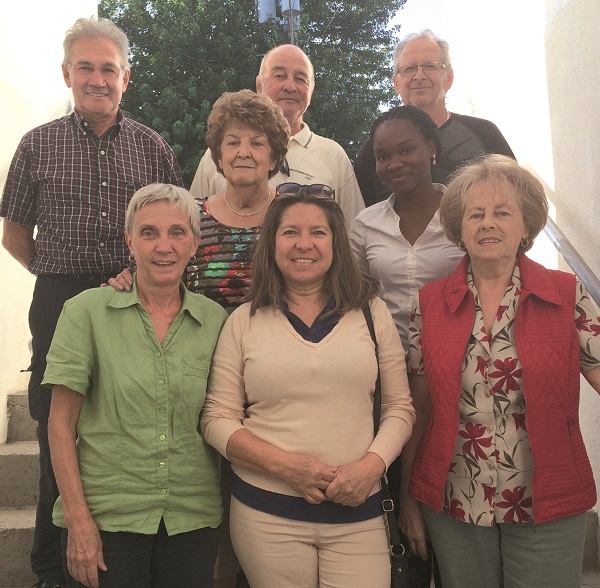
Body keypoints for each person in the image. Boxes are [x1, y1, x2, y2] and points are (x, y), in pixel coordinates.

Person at [0, 16, 182, 588]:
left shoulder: (152, 147)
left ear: (126, 77)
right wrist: (55, 277)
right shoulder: (37, 144)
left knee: (124, 422)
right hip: (59, 297)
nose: (97, 78)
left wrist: (133, 275)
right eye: (86, 67)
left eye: (109, 68)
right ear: (67, 73)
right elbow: (14, 231)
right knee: (60, 426)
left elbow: (173, 227)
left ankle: (122, 553)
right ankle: (52, 569)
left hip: (134, 298)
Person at [107, 88, 290, 588]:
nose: (244, 152)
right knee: (212, 508)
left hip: (278, 381)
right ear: (217, 152)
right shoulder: (194, 217)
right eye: (232, 142)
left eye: (257, 142)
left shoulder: (293, 216)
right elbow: (160, 269)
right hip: (200, 379)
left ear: (275, 152)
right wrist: (125, 278)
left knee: (269, 507)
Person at [402, 154, 600, 588]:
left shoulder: (566, 295)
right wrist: (408, 495)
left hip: (547, 498)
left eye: (502, 212)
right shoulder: (429, 304)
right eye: (476, 214)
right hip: (455, 498)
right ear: (459, 229)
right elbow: (418, 406)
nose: (487, 223)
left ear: (526, 226)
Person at [200, 190, 415, 588]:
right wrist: (285, 467)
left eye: (318, 232)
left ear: (335, 242)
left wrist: (370, 467)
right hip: (267, 516)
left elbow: (400, 408)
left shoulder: (371, 313)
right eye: (290, 232)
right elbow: (216, 419)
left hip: (360, 512)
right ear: (272, 244)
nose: (304, 243)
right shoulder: (244, 320)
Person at [43, 184, 228, 588]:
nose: (164, 246)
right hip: (106, 517)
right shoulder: (86, 312)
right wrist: (78, 521)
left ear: (194, 244)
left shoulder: (217, 321)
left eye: (178, 232)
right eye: (149, 232)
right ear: (130, 242)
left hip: (191, 519)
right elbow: (59, 423)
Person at [189, 44, 365, 228]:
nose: (290, 86)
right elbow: (191, 225)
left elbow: (354, 238)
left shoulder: (333, 156)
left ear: (311, 89)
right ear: (259, 85)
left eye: (300, 78)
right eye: (279, 76)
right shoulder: (219, 154)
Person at [354, 29, 515, 207]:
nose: (419, 76)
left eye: (430, 66)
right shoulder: (375, 150)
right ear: (396, 83)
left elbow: (521, 199)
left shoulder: (484, 134)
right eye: (409, 69)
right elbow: (358, 216)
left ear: (449, 78)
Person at [349, 105, 464, 351]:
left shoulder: (464, 217)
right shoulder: (365, 224)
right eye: (383, 157)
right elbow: (354, 299)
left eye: (406, 150)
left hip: (457, 357)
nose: (394, 164)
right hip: (386, 359)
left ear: (431, 148)